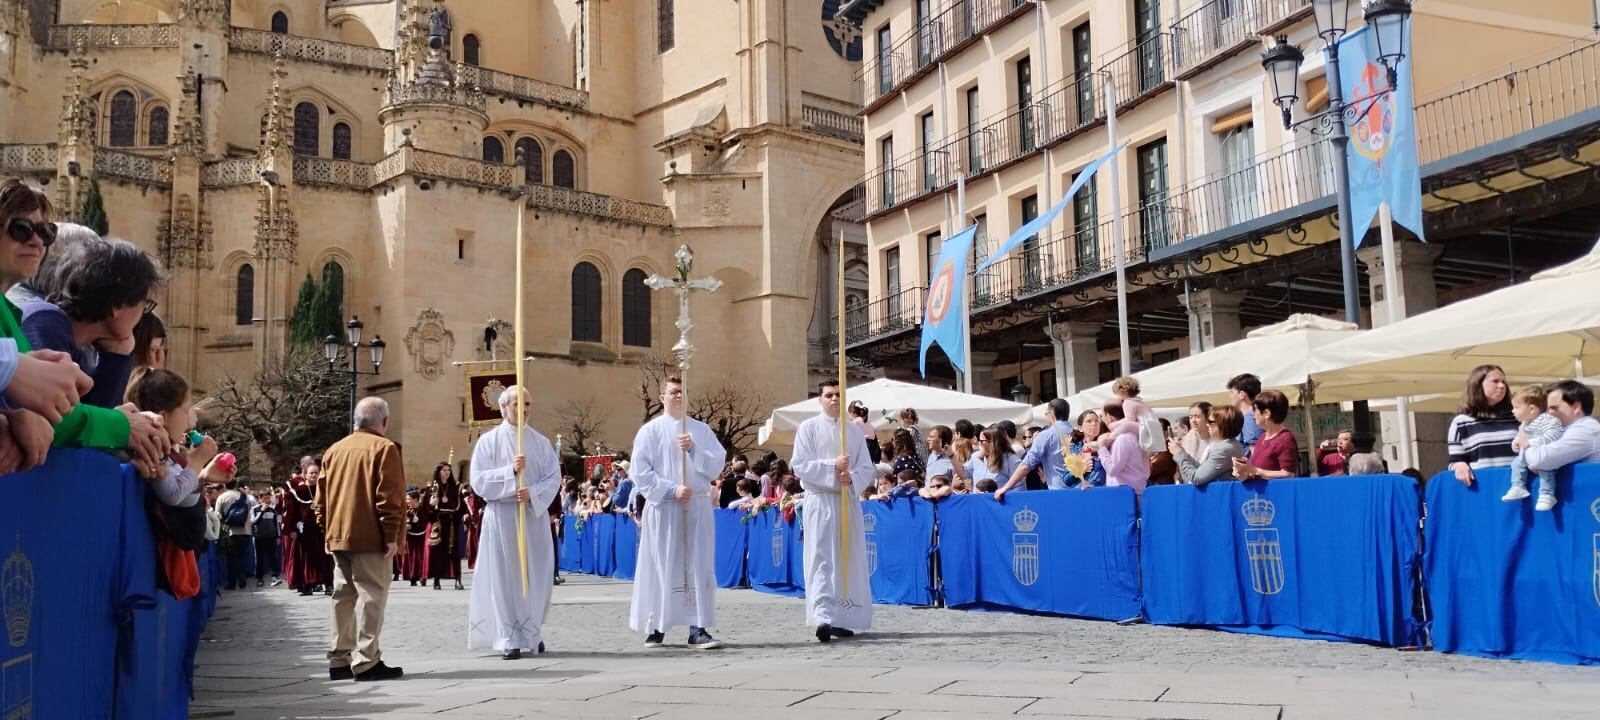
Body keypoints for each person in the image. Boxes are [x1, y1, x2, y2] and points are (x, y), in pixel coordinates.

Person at [0, 178, 164, 476]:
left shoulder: (10, 313)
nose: (37, 242)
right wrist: (120, 426)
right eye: (21, 229)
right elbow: (59, 417)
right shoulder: (42, 319)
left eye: (46, 232)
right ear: (116, 304)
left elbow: (67, 421)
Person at [12, 231, 164, 411]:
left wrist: (117, 356)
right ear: (116, 305)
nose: (142, 315)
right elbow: (62, 426)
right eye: (144, 304)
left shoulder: (77, 345)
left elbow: (94, 424)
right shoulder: (44, 322)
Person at [629, 376, 727, 650]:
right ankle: (658, 625)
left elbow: (717, 464)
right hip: (665, 508)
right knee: (662, 563)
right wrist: (671, 490)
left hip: (695, 507)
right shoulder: (650, 432)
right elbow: (640, 471)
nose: (679, 396)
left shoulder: (701, 430)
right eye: (673, 392)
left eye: (683, 391)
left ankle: (698, 628)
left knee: (697, 565)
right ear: (662, 397)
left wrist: (694, 450)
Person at [317, 396, 407, 682]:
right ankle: (367, 660)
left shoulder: (334, 449)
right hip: (371, 536)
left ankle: (339, 658)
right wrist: (391, 535)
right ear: (384, 422)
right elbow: (389, 497)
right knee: (372, 596)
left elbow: (320, 497)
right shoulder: (385, 448)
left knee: (342, 596)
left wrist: (326, 530)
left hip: (339, 534)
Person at [468, 385, 561, 660]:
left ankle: (532, 632)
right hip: (502, 517)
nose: (524, 410)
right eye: (517, 404)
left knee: (535, 575)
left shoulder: (541, 443)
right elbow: (479, 480)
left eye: (528, 404)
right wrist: (510, 473)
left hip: (532, 516)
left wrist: (531, 492)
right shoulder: (488, 442)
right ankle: (509, 636)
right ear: (503, 407)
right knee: (505, 576)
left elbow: (552, 478)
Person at [790, 379, 874, 643]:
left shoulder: (854, 432)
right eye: (829, 395)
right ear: (820, 399)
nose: (835, 399)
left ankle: (842, 616)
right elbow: (800, 465)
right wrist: (832, 466)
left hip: (846, 501)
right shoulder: (808, 428)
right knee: (822, 557)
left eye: (839, 395)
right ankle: (823, 616)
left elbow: (867, 467)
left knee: (846, 556)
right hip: (821, 500)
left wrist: (853, 478)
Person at [1524, 380, 1600, 505]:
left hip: (1587, 506)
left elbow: (1540, 459)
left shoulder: (1585, 430)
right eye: (1547, 409)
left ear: (1576, 407)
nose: (1549, 414)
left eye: (1554, 408)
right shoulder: (1571, 430)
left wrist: (1526, 444)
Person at [1446, 364, 1519, 487]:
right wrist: (1459, 465)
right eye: (1495, 381)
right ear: (1478, 385)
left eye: (1503, 382)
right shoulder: (1461, 422)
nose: (1501, 386)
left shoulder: (1518, 417)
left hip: (1518, 487)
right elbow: (1455, 461)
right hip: (1484, 488)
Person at [996, 398, 1074, 500]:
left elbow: (1026, 465)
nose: (1046, 416)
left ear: (1052, 413)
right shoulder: (1076, 432)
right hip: (1081, 491)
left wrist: (1005, 487)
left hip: (1059, 493)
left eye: (1046, 414)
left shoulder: (1046, 435)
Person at [1499, 385, 1563, 507]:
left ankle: (1547, 494)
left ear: (1532, 409)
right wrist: (1516, 443)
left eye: (1516, 407)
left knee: (1546, 470)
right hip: (1528, 456)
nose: (1513, 411)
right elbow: (1520, 437)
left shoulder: (1547, 419)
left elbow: (1554, 435)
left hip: (1546, 455)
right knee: (1516, 463)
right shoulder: (1525, 424)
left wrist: (1530, 443)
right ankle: (1518, 486)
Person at [284, 457, 334, 596]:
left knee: (324, 557)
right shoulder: (298, 491)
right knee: (306, 558)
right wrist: (292, 529)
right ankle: (307, 584)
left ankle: (328, 583)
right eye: (311, 473)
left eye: (316, 473)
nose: (313, 475)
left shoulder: (325, 489)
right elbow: (291, 510)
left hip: (321, 528)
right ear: (305, 475)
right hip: (304, 529)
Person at [1170, 405, 1247, 486]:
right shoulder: (1231, 444)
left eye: (1210, 422)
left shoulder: (1224, 449)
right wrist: (1184, 454)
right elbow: (1203, 470)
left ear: (1222, 424)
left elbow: (1196, 478)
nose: (1207, 425)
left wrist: (1180, 455)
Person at [1233, 389, 1299, 481]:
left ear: (1266, 413)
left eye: (1255, 410)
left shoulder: (1285, 439)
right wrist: (1244, 472)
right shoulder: (1263, 437)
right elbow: (1257, 471)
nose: (1253, 414)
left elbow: (1288, 474)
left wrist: (1255, 471)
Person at [426, 462, 466, 590]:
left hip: (452, 523)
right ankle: (436, 580)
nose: (446, 472)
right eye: (444, 470)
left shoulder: (455, 487)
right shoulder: (433, 487)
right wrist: (431, 505)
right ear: (439, 472)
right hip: (439, 522)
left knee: (455, 552)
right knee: (438, 552)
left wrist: (460, 517)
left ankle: (458, 580)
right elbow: (425, 510)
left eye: (448, 470)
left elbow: (461, 507)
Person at [1096, 402, 1149, 496]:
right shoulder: (1136, 437)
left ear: (1109, 417)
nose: (1102, 420)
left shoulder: (1123, 439)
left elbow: (1112, 470)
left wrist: (1102, 448)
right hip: (1134, 491)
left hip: (1126, 495)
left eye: (1101, 416)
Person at [1102, 376, 1164, 453]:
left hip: (1147, 429)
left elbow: (1129, 420)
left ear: (1121, 391)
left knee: (1127, 425)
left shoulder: (1128, 402)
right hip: (1151, 429)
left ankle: (1107, 440)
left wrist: (1114, 424)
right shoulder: (1138, 401)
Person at [216, 480, 258, 590]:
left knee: (232, 557)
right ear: (236, 485)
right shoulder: (245, 497)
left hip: (231, 531)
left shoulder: (222, 497)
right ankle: (242, 575)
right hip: (246, 530)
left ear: (225, 484)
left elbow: (217, 514)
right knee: (242, 555)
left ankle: (232, 582)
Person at [1067, 410, 1107, 487]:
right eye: (1089, 421)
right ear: (1080, 428)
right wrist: (1080, 469)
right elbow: (1066, 480)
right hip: (1081, 494)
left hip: (1103, 492)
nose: (1094, 423)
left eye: (1096, 421)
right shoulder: (1074, 448)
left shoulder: (1106, 444)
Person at [253, 490, 283, 587]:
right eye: (264, 498)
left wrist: (278, 536)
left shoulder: (272, 510)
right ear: (259, 499)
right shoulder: (254, 509)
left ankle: (275, 577)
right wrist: (261, 511)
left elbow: (276, 524)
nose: (266, 500)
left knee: (272, 557)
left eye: (268, 498)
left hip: (271, 537)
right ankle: (259, 578)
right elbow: (253, 521)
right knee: (260, 558)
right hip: (259, 537)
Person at [1227, 373, 1264, 451]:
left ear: (1241, 394)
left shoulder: (1250, 417)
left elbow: (1255, 452)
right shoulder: (1251, 415)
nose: (1230, 396)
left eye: (1232, 392)